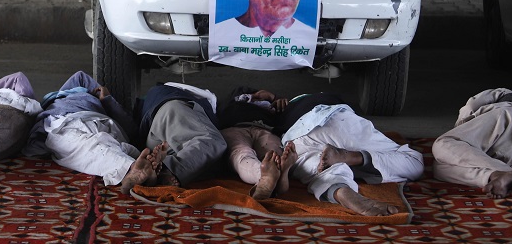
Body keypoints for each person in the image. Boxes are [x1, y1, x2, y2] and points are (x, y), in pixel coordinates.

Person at [23, 71, 168, 194]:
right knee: (100, 145)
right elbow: (80, 79)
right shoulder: (59, 102)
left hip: (89, 123)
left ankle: (135, 168)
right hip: (84, 123)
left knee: (93, 147)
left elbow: (80, 77)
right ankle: (139, 168)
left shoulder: (91, 102)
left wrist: (108, 100)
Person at [278, 98, 424, 216]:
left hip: (295, 139)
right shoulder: (321, 97)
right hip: (334, 120)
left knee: (315, 170)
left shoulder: (277, 113)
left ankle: (341, 191)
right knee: (414, 161)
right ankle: (351, 157)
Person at [217, 86, 345, 200]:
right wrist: (255, 96)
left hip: (266, 130)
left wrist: (276, 99)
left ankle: (274, 176)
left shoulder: (274, 107)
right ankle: (267, 178)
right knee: (241, 153)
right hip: (235, 128)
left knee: (274, 156)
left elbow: (290, 117)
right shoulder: (234, 103)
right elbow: (229, 102)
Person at [432, 88, 512, 198]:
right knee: (439, 167)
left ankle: (506, 171)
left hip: (510, 115)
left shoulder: (505, 95)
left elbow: (470, 106)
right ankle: (494, 175)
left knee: (445, 143)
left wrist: (460, 127)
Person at [135, 82, 227, 188]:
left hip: (154, 138)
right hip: (170, 112)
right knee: (213, 142)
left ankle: (159, 168)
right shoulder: (173, 90)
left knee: (208, 159)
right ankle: (167, 169)